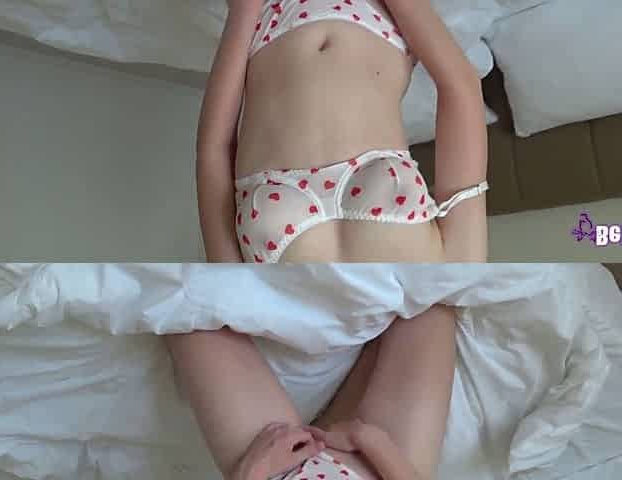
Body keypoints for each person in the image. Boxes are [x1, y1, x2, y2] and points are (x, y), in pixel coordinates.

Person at [196, 0, 489, 263]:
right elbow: (462, 89)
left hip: (263, 25)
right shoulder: (457, 280)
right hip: (380, 18)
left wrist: (242, 14)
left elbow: (214, 150)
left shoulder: (243, 297)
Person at [166, 304, 456, 480]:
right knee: (431, 306)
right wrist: (368, 439)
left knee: (181, 311)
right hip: (378, 465)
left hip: (278, 466)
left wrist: (251, 472)